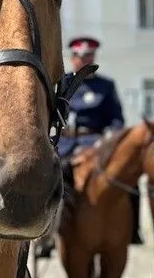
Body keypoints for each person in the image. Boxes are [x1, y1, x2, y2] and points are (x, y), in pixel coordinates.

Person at [37, 36, 134, 258]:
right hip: (67, 143)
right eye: (80, 56)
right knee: (52, 176)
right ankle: (47, 233)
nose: (85, 60)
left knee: (127, 178)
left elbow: (117, 120)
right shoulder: (61, 83)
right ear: (73, 58)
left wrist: (107, 140)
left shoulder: (106, 86)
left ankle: (133, 229)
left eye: (89, 56)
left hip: (97, 144)